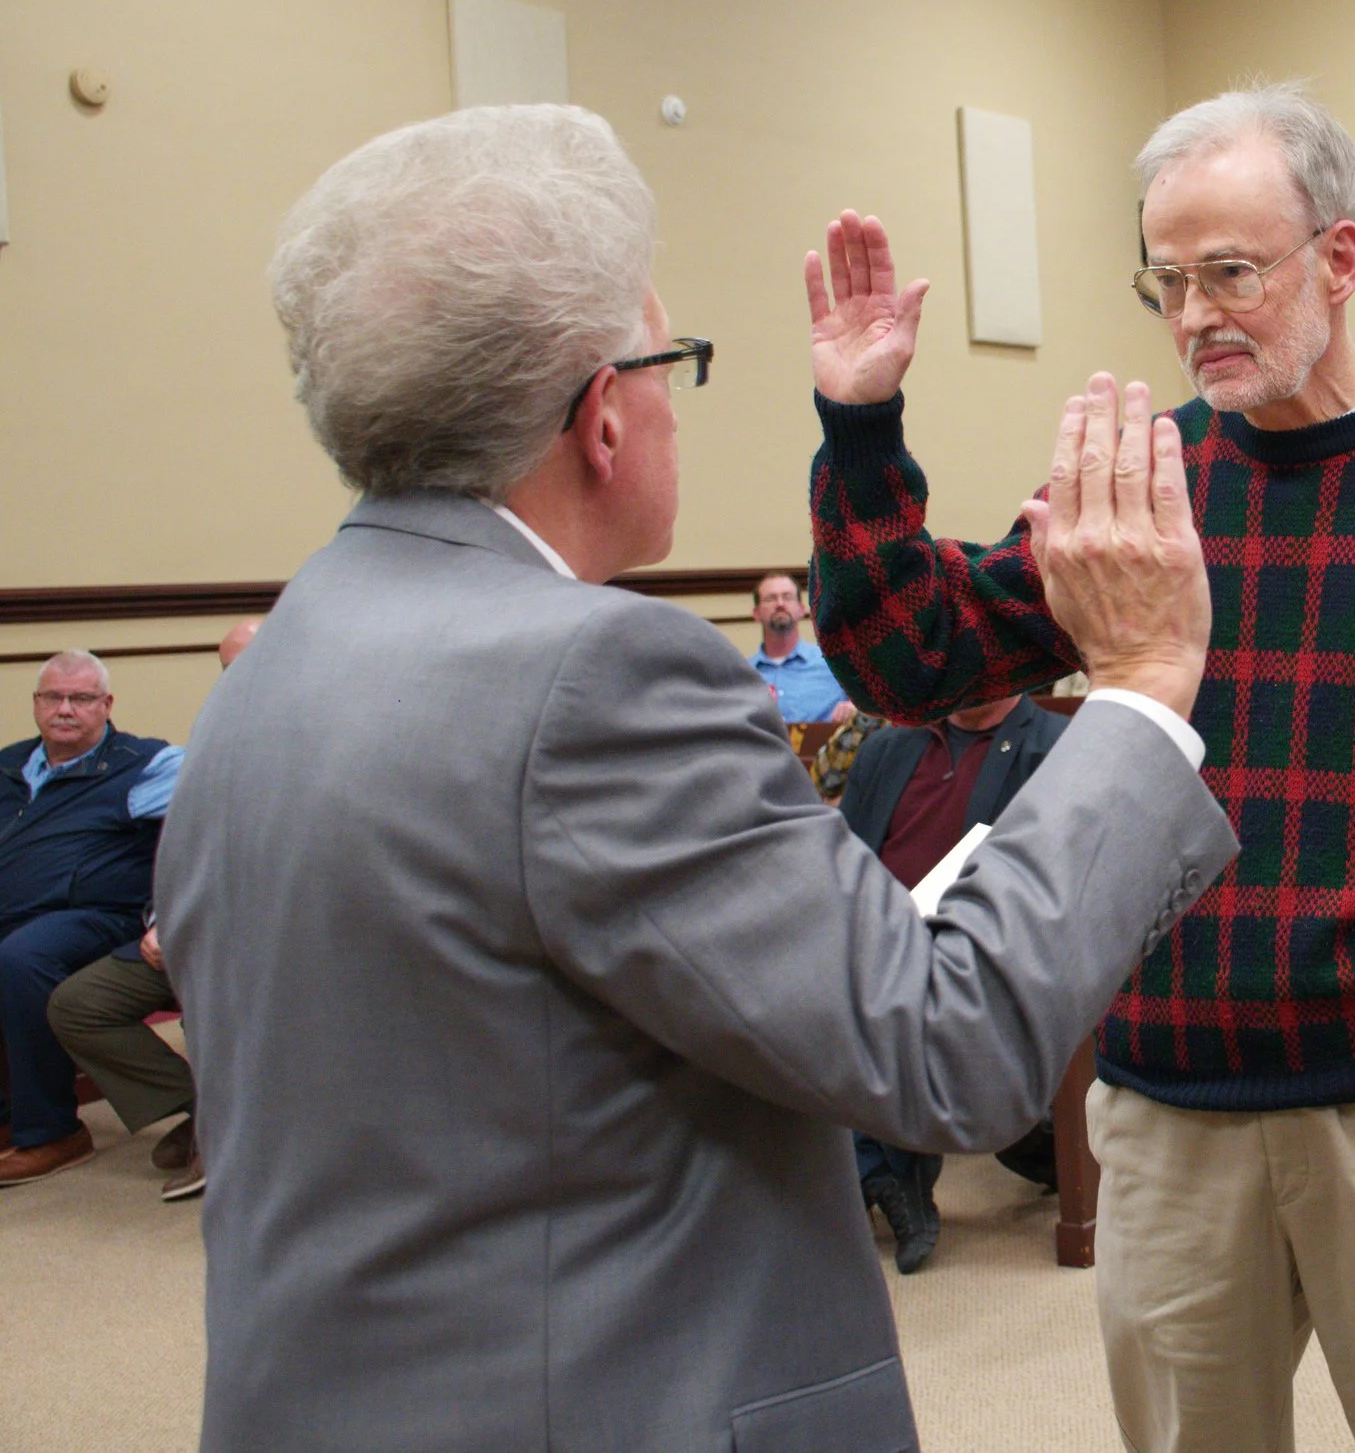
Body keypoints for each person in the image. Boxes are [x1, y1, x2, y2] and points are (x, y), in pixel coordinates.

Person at [154, 103, 1238, 1453]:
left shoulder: (282, 652)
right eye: (675, 363)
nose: (677, 400)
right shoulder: (598, 676)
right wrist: (1138, 685)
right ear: (603, 418)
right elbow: (944, 1045)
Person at [803, 84, 1355, 1453]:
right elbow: (910, 656)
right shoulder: (1148, 487)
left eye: (1230, 273)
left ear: (1340, 258)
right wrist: (861, 426)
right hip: (1170, 1104)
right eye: (1168, 282)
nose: (1196, 314)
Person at [836, 691, 1073, 1272]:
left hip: (984, 951)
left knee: (904, 1003)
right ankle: (885, 1168)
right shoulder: (888, 748)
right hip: (878, 939)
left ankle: (889, 1170)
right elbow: (842, 864)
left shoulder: (1054, 746)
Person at [45, 619, 257, 1201]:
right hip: (189, 923)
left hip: (267, 931)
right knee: (78, 1005)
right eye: (229, 670)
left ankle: (236, 1134)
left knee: (217, 990)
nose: (241, 682)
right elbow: (179, 850)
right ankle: (200, 1114)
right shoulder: (213, 742)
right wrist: (163, 918)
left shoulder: (324, 739)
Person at [0, 651, 185, 1187]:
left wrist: (167, 916)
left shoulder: (146, 763)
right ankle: (8, 1118)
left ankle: (51, 1131)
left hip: (98, 914)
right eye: (52, 697)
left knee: (20, 956)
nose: (64, 709)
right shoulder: (9, 766)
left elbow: (212, 818)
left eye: (80, 698)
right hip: (16, 912)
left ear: (106, 705)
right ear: (35, 704)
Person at [749, 570, 853, 723]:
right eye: (771, 598)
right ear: (756, 613)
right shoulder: (742, 674)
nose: (780, 604)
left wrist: (854, 710)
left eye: (787, 597)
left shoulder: (833, 664)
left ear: (802, 609)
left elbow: (872, 711)